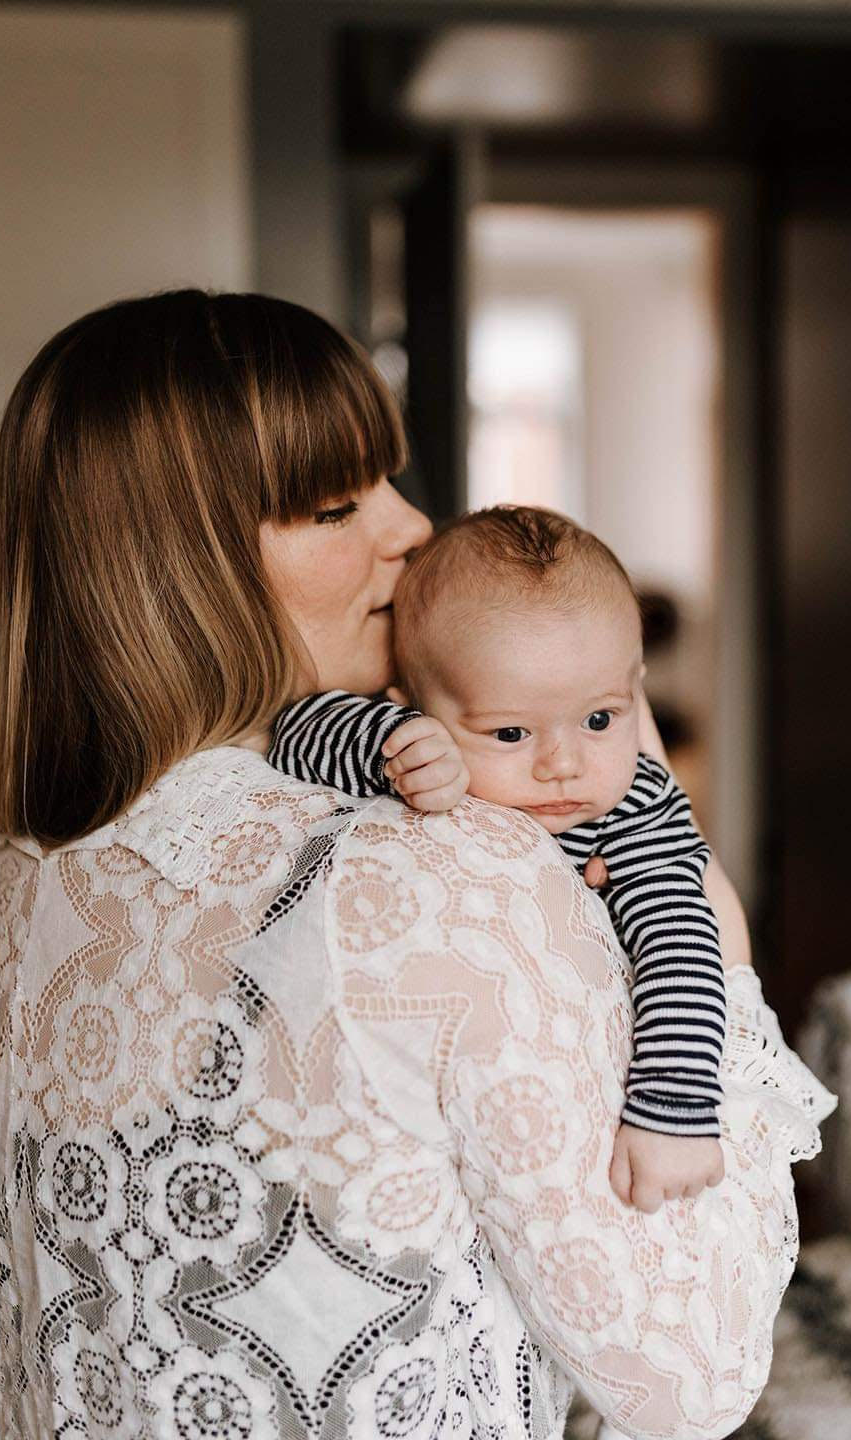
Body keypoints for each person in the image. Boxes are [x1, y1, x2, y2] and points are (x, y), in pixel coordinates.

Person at [0, 289, 834, 1440]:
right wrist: (714, 941)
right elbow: (689, 1377)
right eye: (336, 505)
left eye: (388, 479)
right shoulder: (435, 872)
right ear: (171, 568)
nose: (413, 525)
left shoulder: (9, 887)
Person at [268, 506, 727, 1212]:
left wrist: (675, 1110)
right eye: (510, 733)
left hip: (570, 1100)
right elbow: (295, 731)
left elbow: (680, 941)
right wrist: (398, 744)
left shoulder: (632, 805)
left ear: (633, 685)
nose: (563, 764)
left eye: (599, 719)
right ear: (413, 701)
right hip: (391, 1094)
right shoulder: (415, 749)